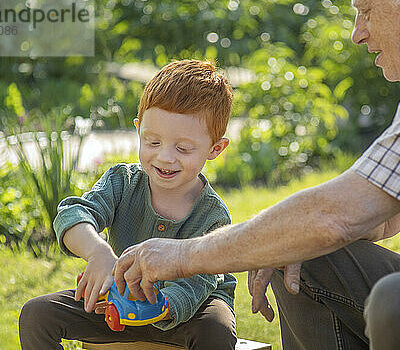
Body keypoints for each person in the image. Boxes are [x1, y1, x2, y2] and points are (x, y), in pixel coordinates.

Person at [112, 0, 400, 349]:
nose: (358, 33)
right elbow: (385, 211)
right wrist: (286, 240)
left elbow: (337, 215)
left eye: (366, 11)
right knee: (297, 252)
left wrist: (185, 255)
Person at [19, 60, 238, 350]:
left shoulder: (212, 215)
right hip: (117, 308)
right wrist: (97, 253)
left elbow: (198, 283)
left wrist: (158, 304)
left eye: (183, 148)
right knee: (37, 315)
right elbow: (73, 214)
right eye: (153, 142)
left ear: (215, 149)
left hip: (185, 314)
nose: (165, 157)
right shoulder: (122, 181)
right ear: (138, 129)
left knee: (216, 328)